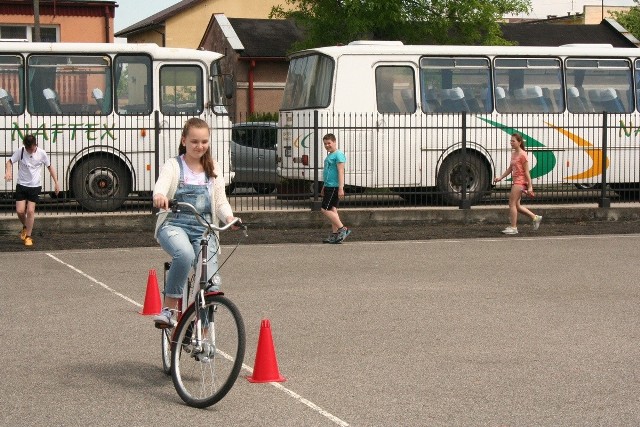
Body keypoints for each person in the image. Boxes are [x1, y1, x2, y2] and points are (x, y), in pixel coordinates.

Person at [152, 118, 240, 328]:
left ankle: (202, 334)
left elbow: (220, 201)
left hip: (205, 229)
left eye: (204, 141)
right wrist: (160, 196)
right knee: (184, 255)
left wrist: (229, 217)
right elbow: (161, 186)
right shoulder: (174, 165)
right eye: (194, 142)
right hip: (174, 225)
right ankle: (169, 310)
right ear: (184, 141)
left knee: (210, 283)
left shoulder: (213, 168)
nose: (199, 146)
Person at [4, 134, 59, 247]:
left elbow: (50, 167)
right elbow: (9, 162)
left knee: (30, 211)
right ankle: (26, 226)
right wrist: (8, 172)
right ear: (25, 146)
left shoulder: (42, 153)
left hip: (35, 186)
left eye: (32, 148)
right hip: (22, 184)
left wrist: (56, 182)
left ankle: (28, 236)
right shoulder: (21, 151)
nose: (30, 151)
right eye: (28, 149)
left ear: (35, 145)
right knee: (20, 211)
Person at [493, 133, 542, 235]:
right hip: (516, 181)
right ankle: (535, 217)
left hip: (520, 181)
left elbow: (527, 171)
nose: (511, 143)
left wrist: (530, 186)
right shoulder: (514, 153)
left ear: (519, 142)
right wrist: (500, 178)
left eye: (513, 141)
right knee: (517, 206)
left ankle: (513, 228)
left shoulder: (523, 154)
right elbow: (510, 168)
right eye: (510, 141)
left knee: (511, 204)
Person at [320, 133, 351, 244]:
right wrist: (323, 186)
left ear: (334, 142)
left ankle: (343, 229)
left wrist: (341, 188)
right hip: (328, 186)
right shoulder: (330, 155)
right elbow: (328, 172)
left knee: (324, 209)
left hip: (334, 186)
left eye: (329, 143)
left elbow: (341, 172)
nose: (327, 145)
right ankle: (335, 235)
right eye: (325, 144)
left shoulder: (338, 155)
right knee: (333, 210)